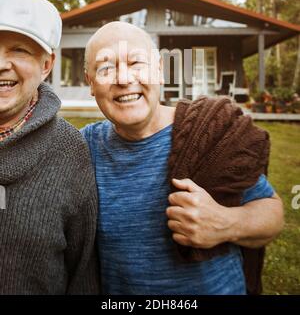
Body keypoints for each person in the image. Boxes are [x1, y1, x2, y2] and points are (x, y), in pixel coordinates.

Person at [82, 21, 284, 296]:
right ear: (90, 83)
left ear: (160, 71)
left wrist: (225, 222)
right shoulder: (84, 148)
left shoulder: (209, 135)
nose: (123, 78)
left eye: (136, 63)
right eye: (105, 68)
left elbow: (272, 213)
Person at [0, 0, 100, 295]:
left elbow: (83, 271)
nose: (1, 63)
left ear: (46, 65)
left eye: (20, 50)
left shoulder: (69, 150)